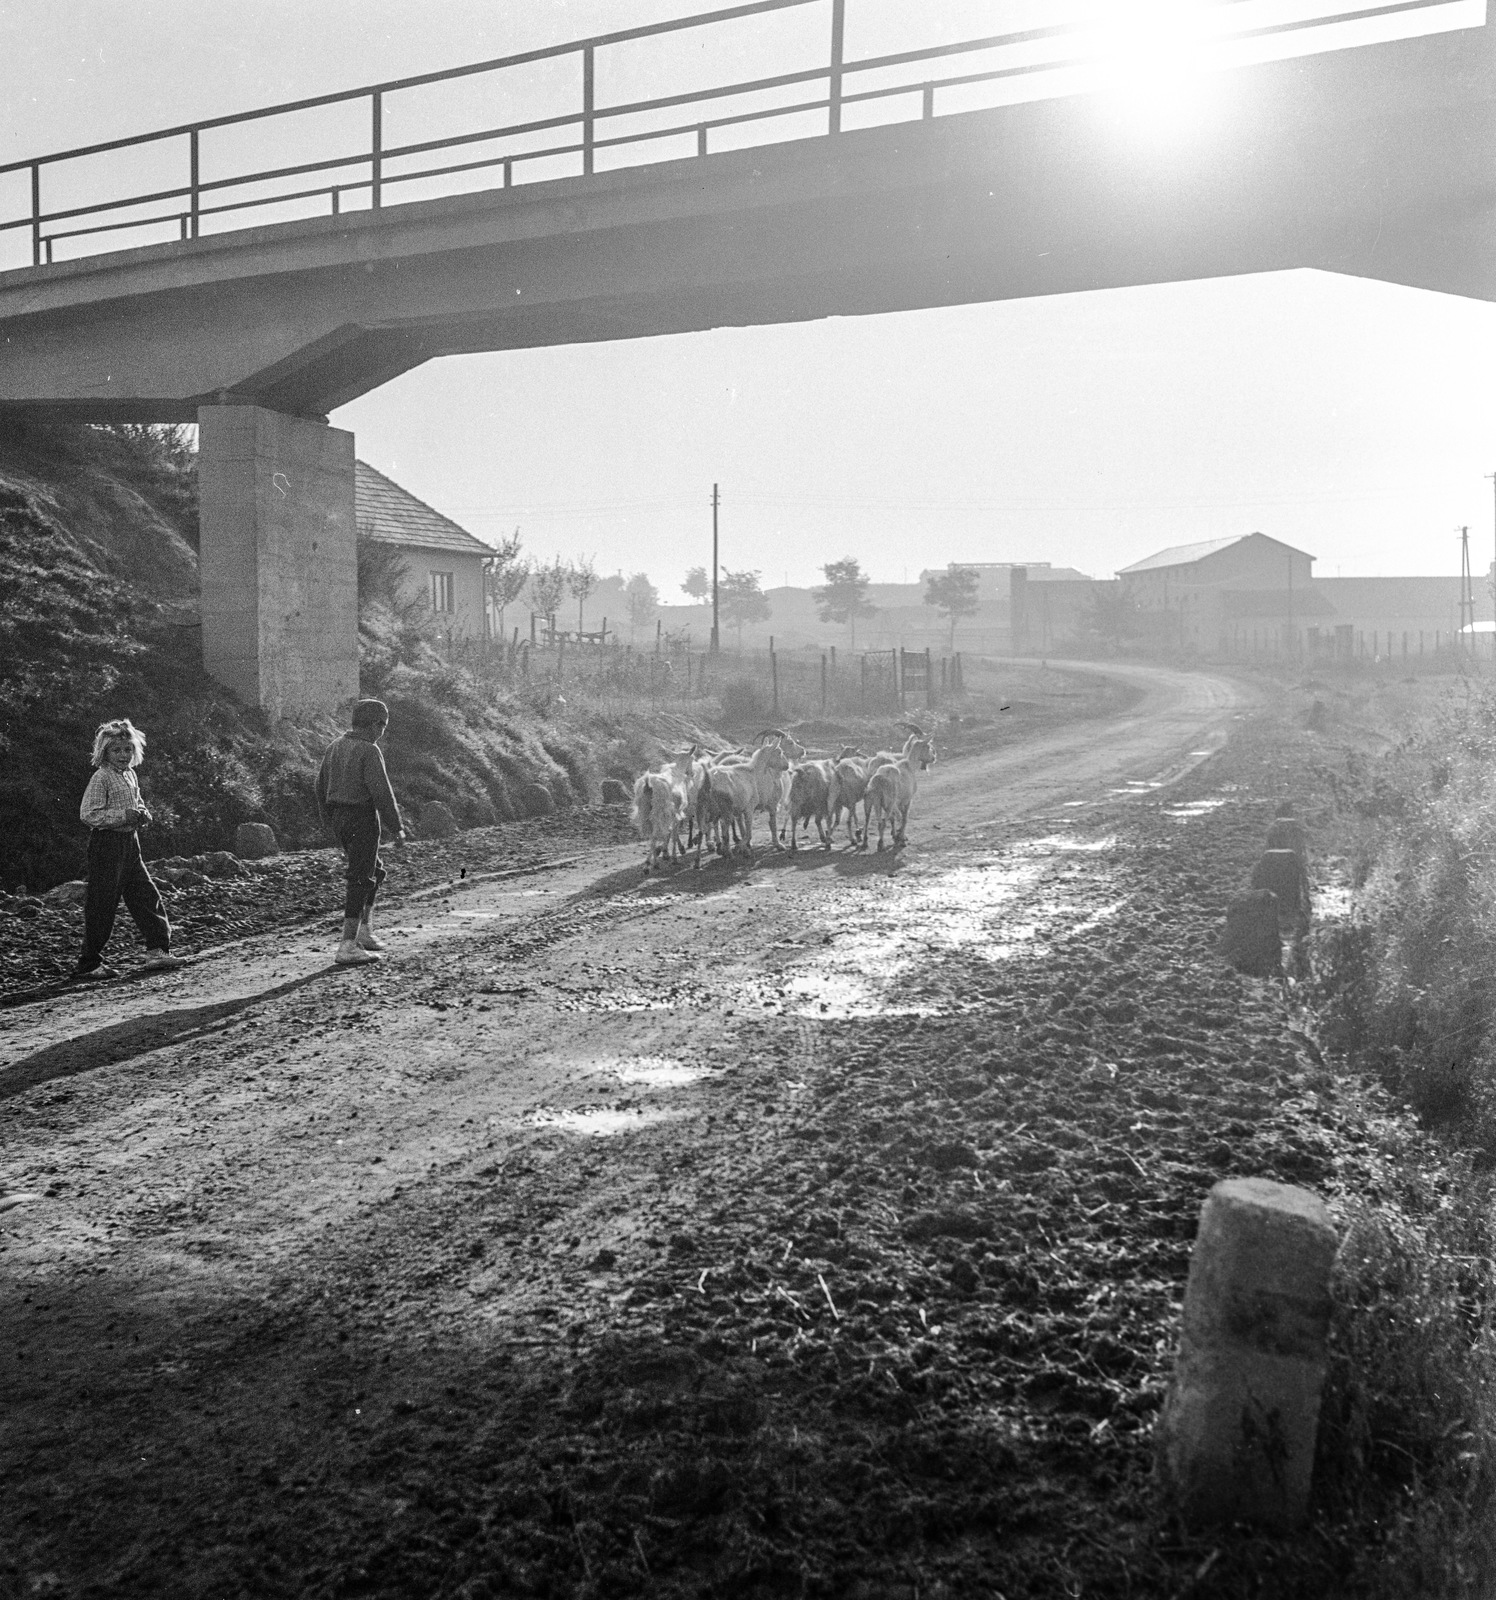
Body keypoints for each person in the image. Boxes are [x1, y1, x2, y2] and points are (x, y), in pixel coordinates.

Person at [71, 718, 180, 981]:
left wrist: (142, 814)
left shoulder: (130, 774)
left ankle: (157, 951)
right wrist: (123, 815)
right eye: (116, 751)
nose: (123, 755)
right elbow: (89, 814)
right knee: (102, 902)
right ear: (104, 752)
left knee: (145, 894)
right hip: (106, 845)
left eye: (127, 749)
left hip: (130, 843)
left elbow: (138, 802)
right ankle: (89, 964)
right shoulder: (101, 777)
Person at [315, 699, 405, 967]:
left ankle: (364, 931)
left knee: (374, 871)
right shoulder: (369, 750)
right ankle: (347, 945)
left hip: (340, 818)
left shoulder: (334, 746)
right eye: (383, 725)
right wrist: (396, 826)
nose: (383, 731)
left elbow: (319, 786)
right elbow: (382, 793)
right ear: (376, 724)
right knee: (360, 877)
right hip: (362, 818)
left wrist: (328, 821)